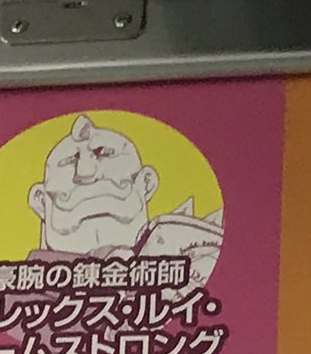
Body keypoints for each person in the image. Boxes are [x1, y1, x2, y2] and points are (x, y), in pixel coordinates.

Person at [23, 115, 223, 288]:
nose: (86, 172)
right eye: (69, 161)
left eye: (104, 153)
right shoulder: (16, 294)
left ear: (146, 183)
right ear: (40, 201)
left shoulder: (191, 268)